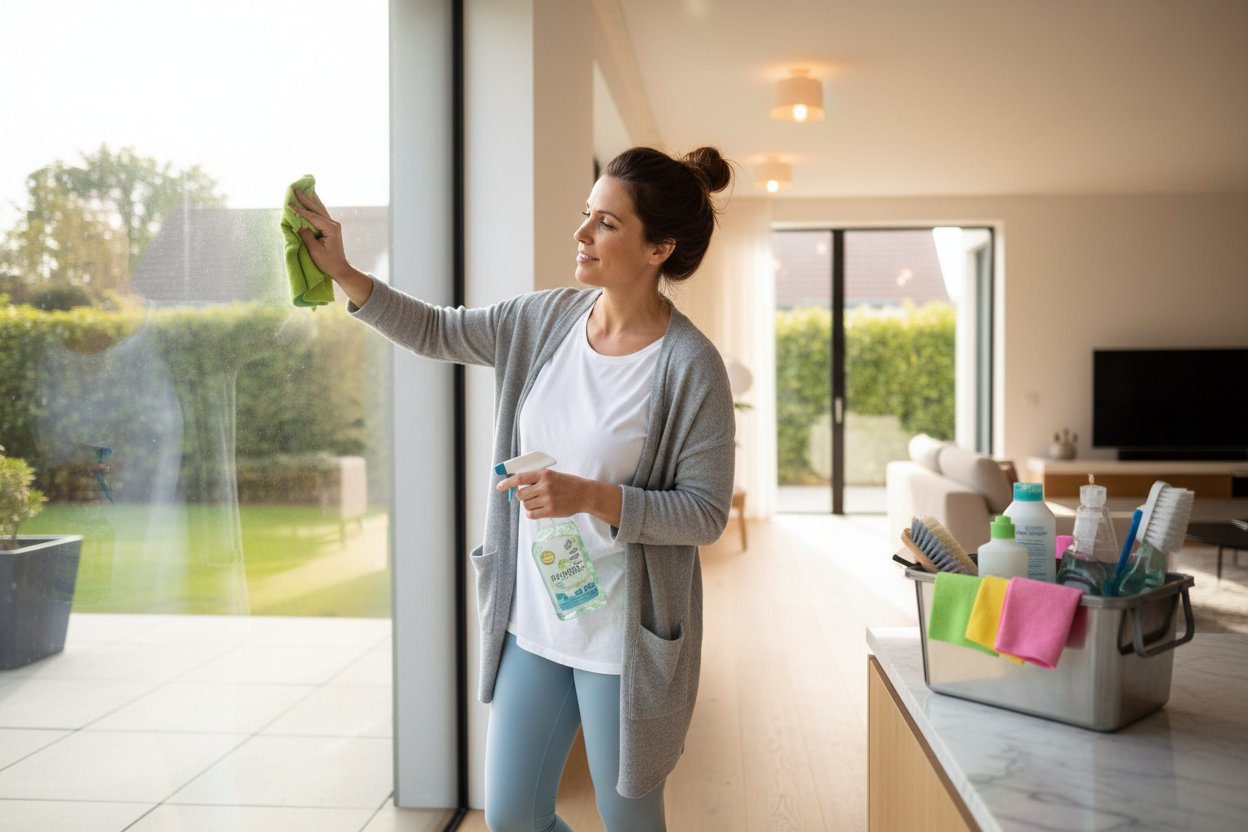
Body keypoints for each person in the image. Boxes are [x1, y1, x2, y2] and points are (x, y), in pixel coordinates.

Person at [287, 145, 736, 832]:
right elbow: (438, 329)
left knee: (630, 824)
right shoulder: (546, 320)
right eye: (587, 214)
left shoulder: (690, 366)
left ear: (658, 249)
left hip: (625, 639)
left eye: (607, 224)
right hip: (535, 617)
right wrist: (346, 272)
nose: (582, 234)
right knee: (511, 819)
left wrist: (589, 496)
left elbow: (704, 515)